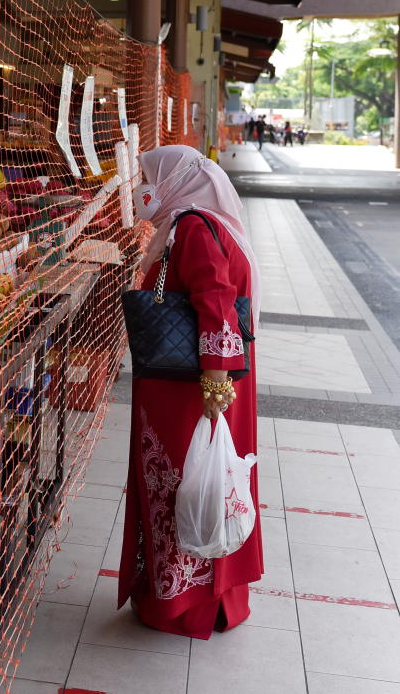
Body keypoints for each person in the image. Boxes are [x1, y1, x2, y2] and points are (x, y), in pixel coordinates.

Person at [117, 145, 262, 639]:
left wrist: (214, 380)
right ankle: (205, 598)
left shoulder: (194, 226)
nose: (141, 187)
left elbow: (216, 298)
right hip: (202, 378)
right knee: (208, 482)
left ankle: (184, 606)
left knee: (188, 483)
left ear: (178, 181)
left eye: (147, 177)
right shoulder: (202, 222)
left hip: (192, 387)